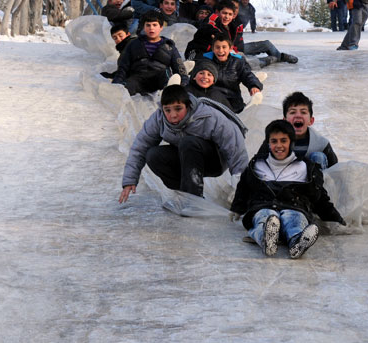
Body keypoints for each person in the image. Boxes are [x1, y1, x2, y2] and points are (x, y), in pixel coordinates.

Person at [230, 120, 346, 258]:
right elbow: (244, 186)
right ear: (268, 143)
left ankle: (297, 241)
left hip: (294, 206)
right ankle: (266, 239)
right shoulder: (258, 164)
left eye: (283, 141)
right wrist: (237, 208)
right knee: (266, 216)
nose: (279, 146)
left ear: (291, 142)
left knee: (293, 219)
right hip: (263, 205)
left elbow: (319, 197)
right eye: (274, 141)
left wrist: (335, 218)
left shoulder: (305, 168)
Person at [119, 85, 248, 199]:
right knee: (153, 155)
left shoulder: (207, 115)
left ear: (188, 106)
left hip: (214, 160)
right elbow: (140, 147)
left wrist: (241, 184)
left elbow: (234, 145)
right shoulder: (158, 119)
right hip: (186, 158)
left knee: (188, 142)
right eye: (167, 110)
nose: (173, 115)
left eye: (178, 108)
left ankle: (193, 197)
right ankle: (183, 193)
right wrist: (130, 179)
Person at [112, 10, 187, 96]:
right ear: (144, 27)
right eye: (148, 25)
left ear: (161, 27)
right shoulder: (133, 44)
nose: (151, 28)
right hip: (138, 78)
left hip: (160, 78)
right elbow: (123, 67)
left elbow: (179, 68)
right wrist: (116, 84)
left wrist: (184, 84)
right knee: (127, 87)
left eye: (155, 25)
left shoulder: (169, 46)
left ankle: (169, 90)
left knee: (165, 74)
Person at [257, 91, 338, 169]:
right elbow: (257, 164)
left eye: (303, 112)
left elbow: (335, 171)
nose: (298, 115)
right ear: (284, 121)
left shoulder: (321, 143)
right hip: (281, 179)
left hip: (312, 181)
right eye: (292, 112)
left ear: (311, 120)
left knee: (318, 156)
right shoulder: (274, 140)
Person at [224, 0, 298, 66]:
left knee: (266, 44)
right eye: (231, 7)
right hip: (232, 51)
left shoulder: (243, 16)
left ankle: (280, 57)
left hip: (240, 47)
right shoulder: (223, 22)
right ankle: (268, 60)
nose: (235, 11)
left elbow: (253, 19)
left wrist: (253, 29)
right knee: (249, 64)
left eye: (236, 8)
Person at [202, 33, 263, 113]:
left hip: (232, 101)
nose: (220, 51)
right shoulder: (206, 60)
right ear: (213, 49)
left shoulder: (237, 61)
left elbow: (247, 75)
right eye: (217, 47)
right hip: (212, 101)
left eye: (224, 47)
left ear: (230, 48)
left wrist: (254, 85)